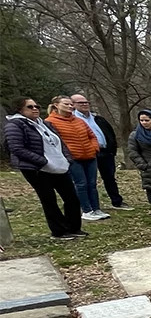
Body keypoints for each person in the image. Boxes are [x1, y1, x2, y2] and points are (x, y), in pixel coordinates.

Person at [6, 97, 84, 239]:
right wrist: (43, 161)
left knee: (72, 197)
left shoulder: (45, 123)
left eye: (37, 106)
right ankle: (59, 231)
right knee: (49, 200)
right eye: (30, 107)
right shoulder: (15, 125)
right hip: (37, 169)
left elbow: (59, 142)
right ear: (20, 109)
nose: (35, 109)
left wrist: (67, 158)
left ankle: (73, 227)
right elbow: (16, 148)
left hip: (59, 166)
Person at [45, 95, 106, 222]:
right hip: (73, 159)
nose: (70, 106)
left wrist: (94, 148)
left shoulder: (78, 120)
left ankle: (96, 208)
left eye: (71, 104)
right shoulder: (51, 122)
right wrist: (68, 154)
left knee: (92, 184)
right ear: (56, 105)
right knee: (81, 184)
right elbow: (55, 141)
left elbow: (92, 136)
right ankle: (86, 210)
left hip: (90, 156)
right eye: (66, 104)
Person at [71, 93, 129, 210]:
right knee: (87, 181)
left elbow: (110, 133)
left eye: (86, 102)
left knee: (109, 178)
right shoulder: (73, 120)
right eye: (80, 102)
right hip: (87, 153)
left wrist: (112, 149)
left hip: (105, 152)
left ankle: (117, 201)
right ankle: (86, 205)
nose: (84, 104)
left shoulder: (98, 118)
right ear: (73, 105)